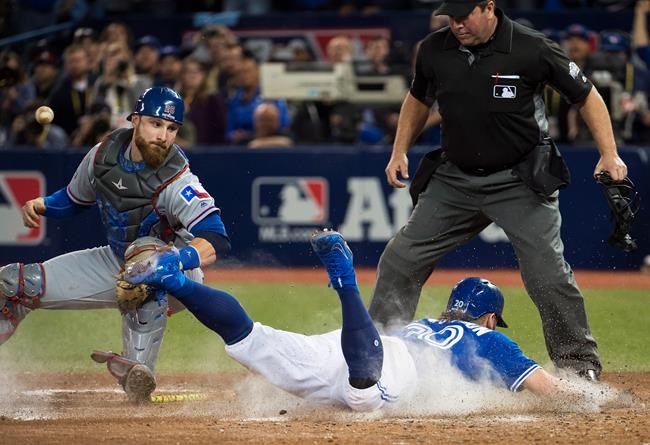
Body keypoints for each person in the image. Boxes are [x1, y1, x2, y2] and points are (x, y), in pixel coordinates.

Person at [366, 0, 629, 383]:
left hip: (519, 179)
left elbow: (585, 94)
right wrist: (399, 149)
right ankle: (378, 358)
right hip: (455, 180)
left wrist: (609, 153)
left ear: (488, 7)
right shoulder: (434, 49)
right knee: (400, 259)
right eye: (450, 18)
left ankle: (578, 366)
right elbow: (418, 98)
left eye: (463, 16)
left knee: (547, 274)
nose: (456, 25)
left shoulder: (530, 46)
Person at [121, 230, 580, 411]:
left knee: (252, 338)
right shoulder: (488, 339)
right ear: (489, 316)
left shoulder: (424, 323)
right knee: (365, 394)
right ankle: (344, 278)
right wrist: (604, 399)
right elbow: (550, 391)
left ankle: (174, 280)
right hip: (381, 364)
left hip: (357, 345)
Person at [0, 87, 231, 402]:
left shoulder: (178, 181)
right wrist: (44, 204)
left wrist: (175, 262)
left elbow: (216, 238)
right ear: (135, 120)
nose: (163, 135)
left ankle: (138, 373)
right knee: (13, 284)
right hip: (116, 258)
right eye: (155, 123)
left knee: (147, 256)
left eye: (172, 128)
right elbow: (73, 199)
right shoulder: (102, 155)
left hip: (173, 273)